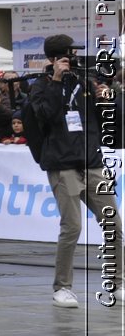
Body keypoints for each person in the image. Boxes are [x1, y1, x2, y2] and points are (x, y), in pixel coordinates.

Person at [24, 34, 122, 307]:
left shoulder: (84, 83)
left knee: (113, 223)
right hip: (62, 165)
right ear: (54, 59)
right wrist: (56, 81)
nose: (74, 59)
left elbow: (106, 123)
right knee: (72, 227)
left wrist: (108, 101)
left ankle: (118, 282)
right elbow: (45, 115)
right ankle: (62, 287)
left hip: (91, 162)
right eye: (68, 55)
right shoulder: (40, 86)